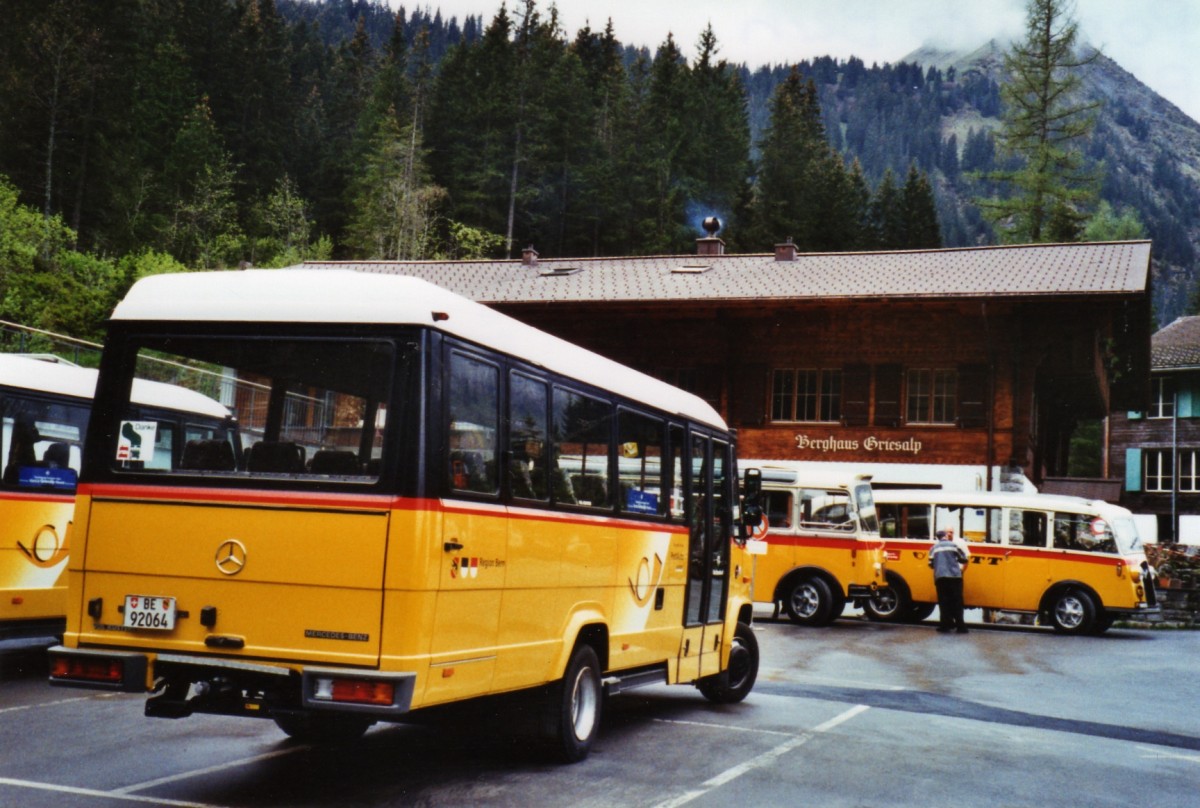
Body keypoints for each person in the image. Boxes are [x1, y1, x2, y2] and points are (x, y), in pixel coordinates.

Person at [929, 528, 970, 633]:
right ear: (945, 536)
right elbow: (964, 559)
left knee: (943, 602)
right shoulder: (953, 545)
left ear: (937, 538)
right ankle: (961, 626)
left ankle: (945, 625)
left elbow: (930, 564)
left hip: (940, 577)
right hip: (955, 577)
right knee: (957, 601)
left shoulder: (933, 548)